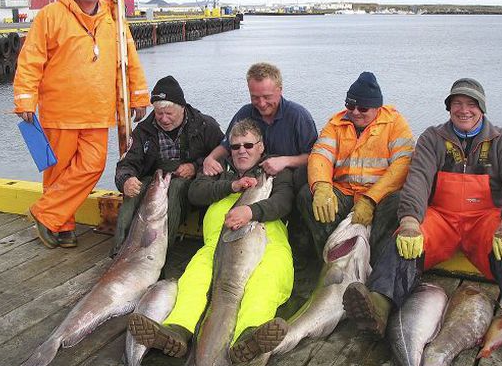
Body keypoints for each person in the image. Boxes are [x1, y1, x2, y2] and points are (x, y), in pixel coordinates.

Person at [343, 78, 502, 353]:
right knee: (403, 241)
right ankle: (378, 306)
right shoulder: (432, 139)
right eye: (457, 104)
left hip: (483, 219)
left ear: (482, 109)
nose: (464, 110)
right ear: (449, 108)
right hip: (441, 217)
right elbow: (418, 181)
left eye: (471, 104)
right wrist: (411, 220)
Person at [128, 118, 294, 365]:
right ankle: (177, 331)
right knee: (195, 278)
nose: (242, 151)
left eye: (248, 145)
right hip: (216, 244)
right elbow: (195, 193)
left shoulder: (275, 172)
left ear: (261, 146)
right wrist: (232, 186)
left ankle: (249, 336)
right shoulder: (217, 170)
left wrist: (251, 212)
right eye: (235, 146)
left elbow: (284, 201)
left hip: (267, 242)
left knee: (268, 279)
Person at [13, 0, 149, 249]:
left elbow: (129, 62)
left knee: (92, 166)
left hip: (99, 112)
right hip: (60, 111)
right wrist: (25, 99)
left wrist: (139, 97)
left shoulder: (114, 19)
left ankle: (46, 213)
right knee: (58, 172)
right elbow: (31, 60)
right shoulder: (51, 15)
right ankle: (63, 225)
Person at [298, 72, 415, 263]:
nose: (355, 112)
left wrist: (371, 200)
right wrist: (321, 187)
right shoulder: (335, 123)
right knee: (307, 196)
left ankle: (374, 262)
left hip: (380, 197)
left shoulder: (395, 124)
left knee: (399, 201)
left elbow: (403, 164)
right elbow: (321, 155)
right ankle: (330, 260)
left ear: (377, 107)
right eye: (350, 106)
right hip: (344, 193)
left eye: (363, 108)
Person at [111, 75, 224, 257]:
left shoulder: (204, 125)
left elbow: (223, 154)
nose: (163, 119)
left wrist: (195, 167)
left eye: (169, 113)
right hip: (157, 179)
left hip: (188, 186)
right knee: (133, 192)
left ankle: (160, 251)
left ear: (182, 109)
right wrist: (126, 180)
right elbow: (126, 163)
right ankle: (119, 252)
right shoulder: (143, 131)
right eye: (159, 114)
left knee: (176, 187)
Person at [201, 62, 317, 192]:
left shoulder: (299, 116)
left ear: (280, 90)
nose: (261, 103)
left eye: (267, 97)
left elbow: (314, 156)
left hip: (289, 185)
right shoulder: (244, 113)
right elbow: (227, 145)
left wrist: (285, 161)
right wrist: (210, 158)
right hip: (253, 183)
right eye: (255, 97)